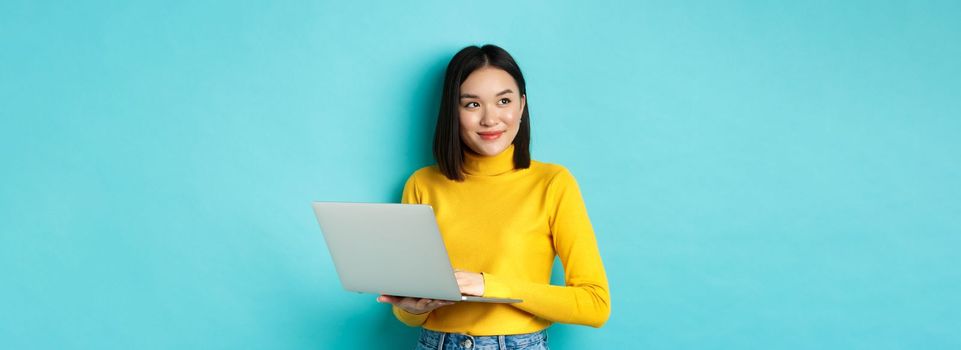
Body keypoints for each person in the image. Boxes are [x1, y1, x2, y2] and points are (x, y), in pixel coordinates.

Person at [377, 44, 610, 350]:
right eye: (472, 105)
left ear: (522, 105)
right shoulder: (422, 184)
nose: (490, 119)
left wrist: (488, 285)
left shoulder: (553, 183)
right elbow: (407, 314)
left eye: (503, 101)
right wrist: (411, 308)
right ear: (453, 110)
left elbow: (595, 304)